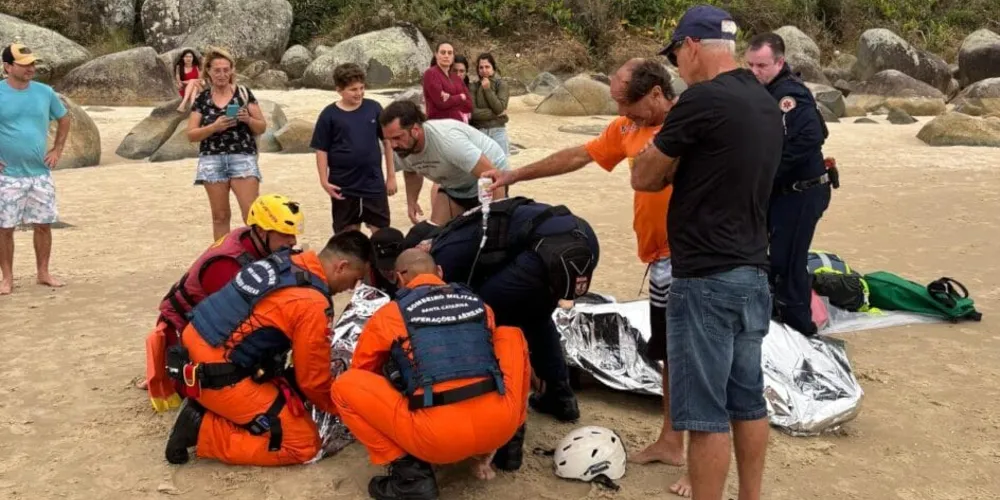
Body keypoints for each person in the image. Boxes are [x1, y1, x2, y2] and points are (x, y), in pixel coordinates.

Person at [483, 57, 690, 491]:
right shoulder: (630, 129)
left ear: (655, 94)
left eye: (627, 105)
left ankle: (698, 461)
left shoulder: (689, 123)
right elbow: (580, 154)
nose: (621, 115)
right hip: (659, 259)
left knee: (697, 357)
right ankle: (672, 440)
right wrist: (515, 173)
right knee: (671, 355)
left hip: (692, 258)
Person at [631, 5, 782, 500]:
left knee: (706, 414)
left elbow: (645, 176)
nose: (677, 65)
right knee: (748, 401)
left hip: (704, 275)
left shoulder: (701, 101)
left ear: (693, 45)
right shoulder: (763, 100)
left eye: (676, 53)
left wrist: (664, 161)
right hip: (753, 270)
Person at [330, 249, 530, 499]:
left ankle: (410, 477)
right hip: (501, 424)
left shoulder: (390, 314)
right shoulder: (480, 305)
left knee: (346, 385)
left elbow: (364, 371)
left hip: (436, 439)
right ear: (440, 273)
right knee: (511, 335)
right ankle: (510, 448)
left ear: (400, 280)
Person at [163, 231, 374, 466]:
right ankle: (203, 429)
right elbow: (312, 381)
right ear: (342, 267)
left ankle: (215, 408)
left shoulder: (286, 260)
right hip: (216, 372)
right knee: (303, 444)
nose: (352, 288)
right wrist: (340, 410)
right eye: (356, 279)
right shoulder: (312, 303)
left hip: (195, 344)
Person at [428, 196, 600, 423]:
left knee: (482, 316)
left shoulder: (442, 255)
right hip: (585, 238)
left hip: (547, 252)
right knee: (537, 317)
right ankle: (561, 397)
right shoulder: (458, 232)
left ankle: (493, 398)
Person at [141, 194, 306, 410]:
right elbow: (229, 322)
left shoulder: (249, 239)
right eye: (285, 235)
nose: (292, 242)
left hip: (200, 321)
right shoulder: (228, 264)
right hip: (182, 331)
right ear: (264, 232)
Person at [745, 33, 834, 336]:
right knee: (769, 259)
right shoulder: (763, 92)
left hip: (803, 190)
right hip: (780, 192)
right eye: (751, 65)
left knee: (788, 261)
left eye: (762, 65)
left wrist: (770, 172)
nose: (755, 72)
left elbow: (813, 136)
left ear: (780, 62)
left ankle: (802, 330)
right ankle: (776, 319)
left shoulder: (790, 95)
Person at [0, 43, 71, 296]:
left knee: (43, 224)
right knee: (5, 228)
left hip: (40, 173)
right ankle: (7, 278)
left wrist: (57, 149)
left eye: (32, 63)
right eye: (25, 64)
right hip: (7, 176)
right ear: (8, 67)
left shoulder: (44, 92)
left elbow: (64, 118)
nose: (31, 68)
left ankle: (43, 272)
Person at [379, 100, 510, 225]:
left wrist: (497, 218)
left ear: (415, 130)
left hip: (487, 175)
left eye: (397, 137)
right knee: (438, 233)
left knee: (486, 230)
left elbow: (493, 177)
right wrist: (412, 201)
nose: (392, 145)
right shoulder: (402, 147)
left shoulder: (447, 140)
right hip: (455, 185)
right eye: (388, 139)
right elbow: (411, 170)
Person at [186, 47, 268, 241]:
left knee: (252, 215)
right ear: (208, 72)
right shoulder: (203, 99)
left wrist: (247, 119)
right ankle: (223, 258)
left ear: (232, 70)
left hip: (242, 156)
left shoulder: (243, 94)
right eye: (217, 70)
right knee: (220, 216)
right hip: (212, 158)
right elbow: (191, 134)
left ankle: (259, 257)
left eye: (226, 70)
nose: (222, 74)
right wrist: (214, 127)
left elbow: (262, 127)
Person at [310, 62, 397, 235]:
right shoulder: (329, 115)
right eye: (353, 89)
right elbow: (321, 150)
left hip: (373, 182)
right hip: (342, 184)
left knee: (381, 231)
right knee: (347, 234)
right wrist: (323, 181)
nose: (359, 93)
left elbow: (387, 142)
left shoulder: (374, 108)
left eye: (361, 88)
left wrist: (391, 176)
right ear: (339, 90)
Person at [469, 53, 511, 157]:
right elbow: (473, 113)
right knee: (482, 171)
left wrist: (487, 89)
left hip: (498, 131)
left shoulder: (501, 85)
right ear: (478, 70)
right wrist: (497, 114)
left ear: (493, 68)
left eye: (487, 67)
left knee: (502, 170)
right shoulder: (473, 86)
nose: (484, 70)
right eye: (481, 67)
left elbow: (500, 107)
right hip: (480, 132)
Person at [422, 42, 472, 122]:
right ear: (436, 55)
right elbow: (441, 103)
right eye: (443, 52)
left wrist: (450, 98)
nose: (446, 56)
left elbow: (469, 106)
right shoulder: (431, 73)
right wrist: (461, 97)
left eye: (449, 53)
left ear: (453, 57)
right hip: (439, 125)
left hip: (458, 125)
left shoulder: (456, 78)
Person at [367, 227, 405, 296]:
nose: (389, 272)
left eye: (393, 267)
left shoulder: (413, 273)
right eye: (384, 268)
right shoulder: (370, 273)